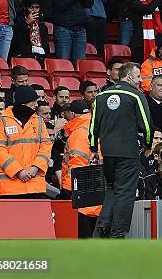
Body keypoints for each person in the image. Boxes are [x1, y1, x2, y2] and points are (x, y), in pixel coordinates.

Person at [90, 62, 153, 238]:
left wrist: (94, 148)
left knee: (111, 190)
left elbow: (93, 125)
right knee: (125, 193)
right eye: (139, 76)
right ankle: (118, 236)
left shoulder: (101, 95)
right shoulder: (136, 96)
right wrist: (148, 146)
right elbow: (147, 127)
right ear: (130, 76)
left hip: (107, 153)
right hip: (128, 153)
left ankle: (101, 231)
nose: (140, 81)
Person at [0, 85, 51, 198]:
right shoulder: (2, 121)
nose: (36, 105)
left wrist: (35, 167)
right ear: (24, 103)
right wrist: (18, 171)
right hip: (10, 188)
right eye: (33, 102)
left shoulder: (38, 121)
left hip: (35, 186)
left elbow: (46, 147)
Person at [59, 100, 100, 237]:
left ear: (71, 113)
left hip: (81, 194)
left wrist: (66, 189)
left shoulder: (79, 133)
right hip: (95, 189)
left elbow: (77, 164)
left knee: (82, 235)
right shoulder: (94, 128)